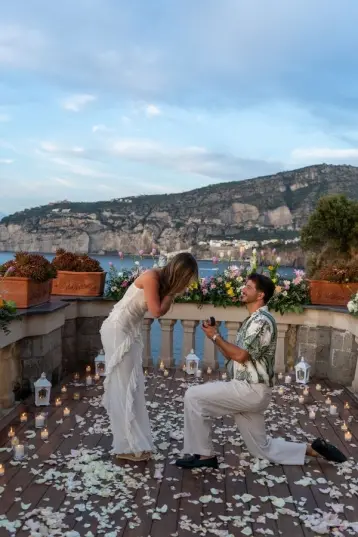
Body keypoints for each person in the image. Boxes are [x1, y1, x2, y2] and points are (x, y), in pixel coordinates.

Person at [176, 273, 347, 469]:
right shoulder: (253, 321)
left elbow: (241, 356)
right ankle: (312, 449)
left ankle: (204, 456)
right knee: (261, 449)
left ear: (260, 295)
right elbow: (235, 356)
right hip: (250, 391)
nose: (243, 289)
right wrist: (214, 336)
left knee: (193, 396)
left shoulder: (261, 322)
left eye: (248, 287)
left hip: (249, 389)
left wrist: (216, 337)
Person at [100, 252, 198, 463]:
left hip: (129, 331)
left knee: (132, 387)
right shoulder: (152, 277)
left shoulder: (159, 281)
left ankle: (135, 441)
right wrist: (172, 294)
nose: (187, 285)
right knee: (123, 386)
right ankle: (126, 445)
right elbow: (156, 311)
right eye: (187, 280)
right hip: (118, 331)